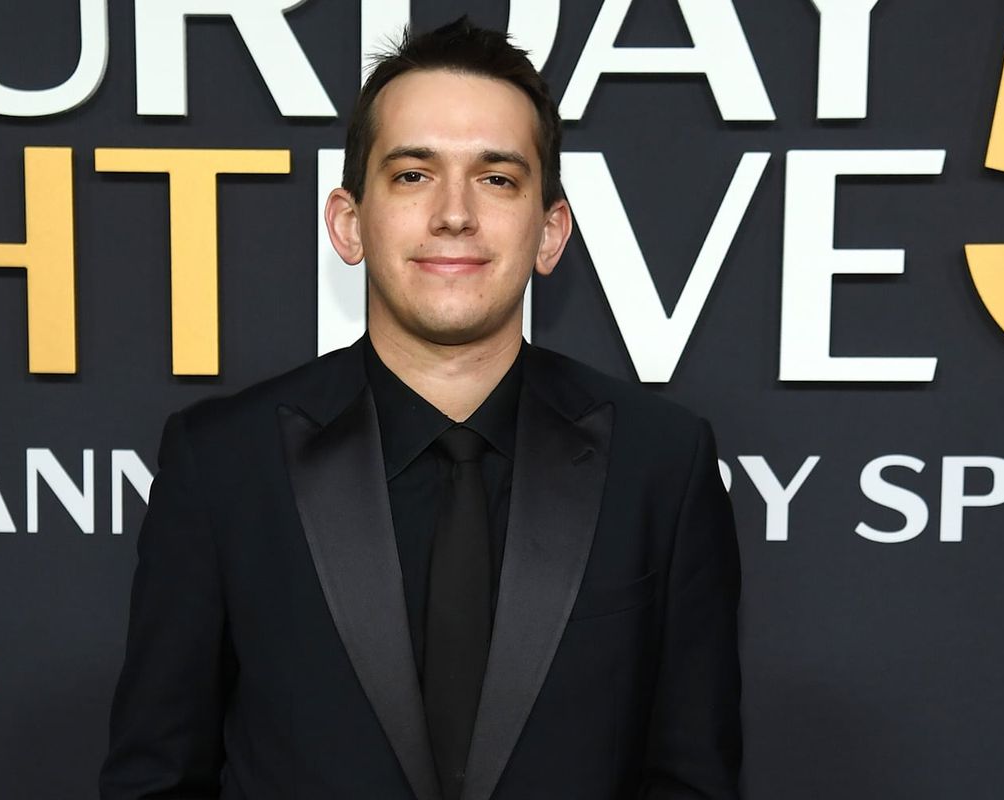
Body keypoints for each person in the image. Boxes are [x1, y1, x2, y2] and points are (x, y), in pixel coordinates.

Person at [100, 17, 741, 800]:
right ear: (349, 223)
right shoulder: (224, 463)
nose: (454, 213)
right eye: (412, 174)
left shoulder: (661, 465)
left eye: (497, 179)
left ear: (550, 233)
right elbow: (158, 777)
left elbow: (692, 778)